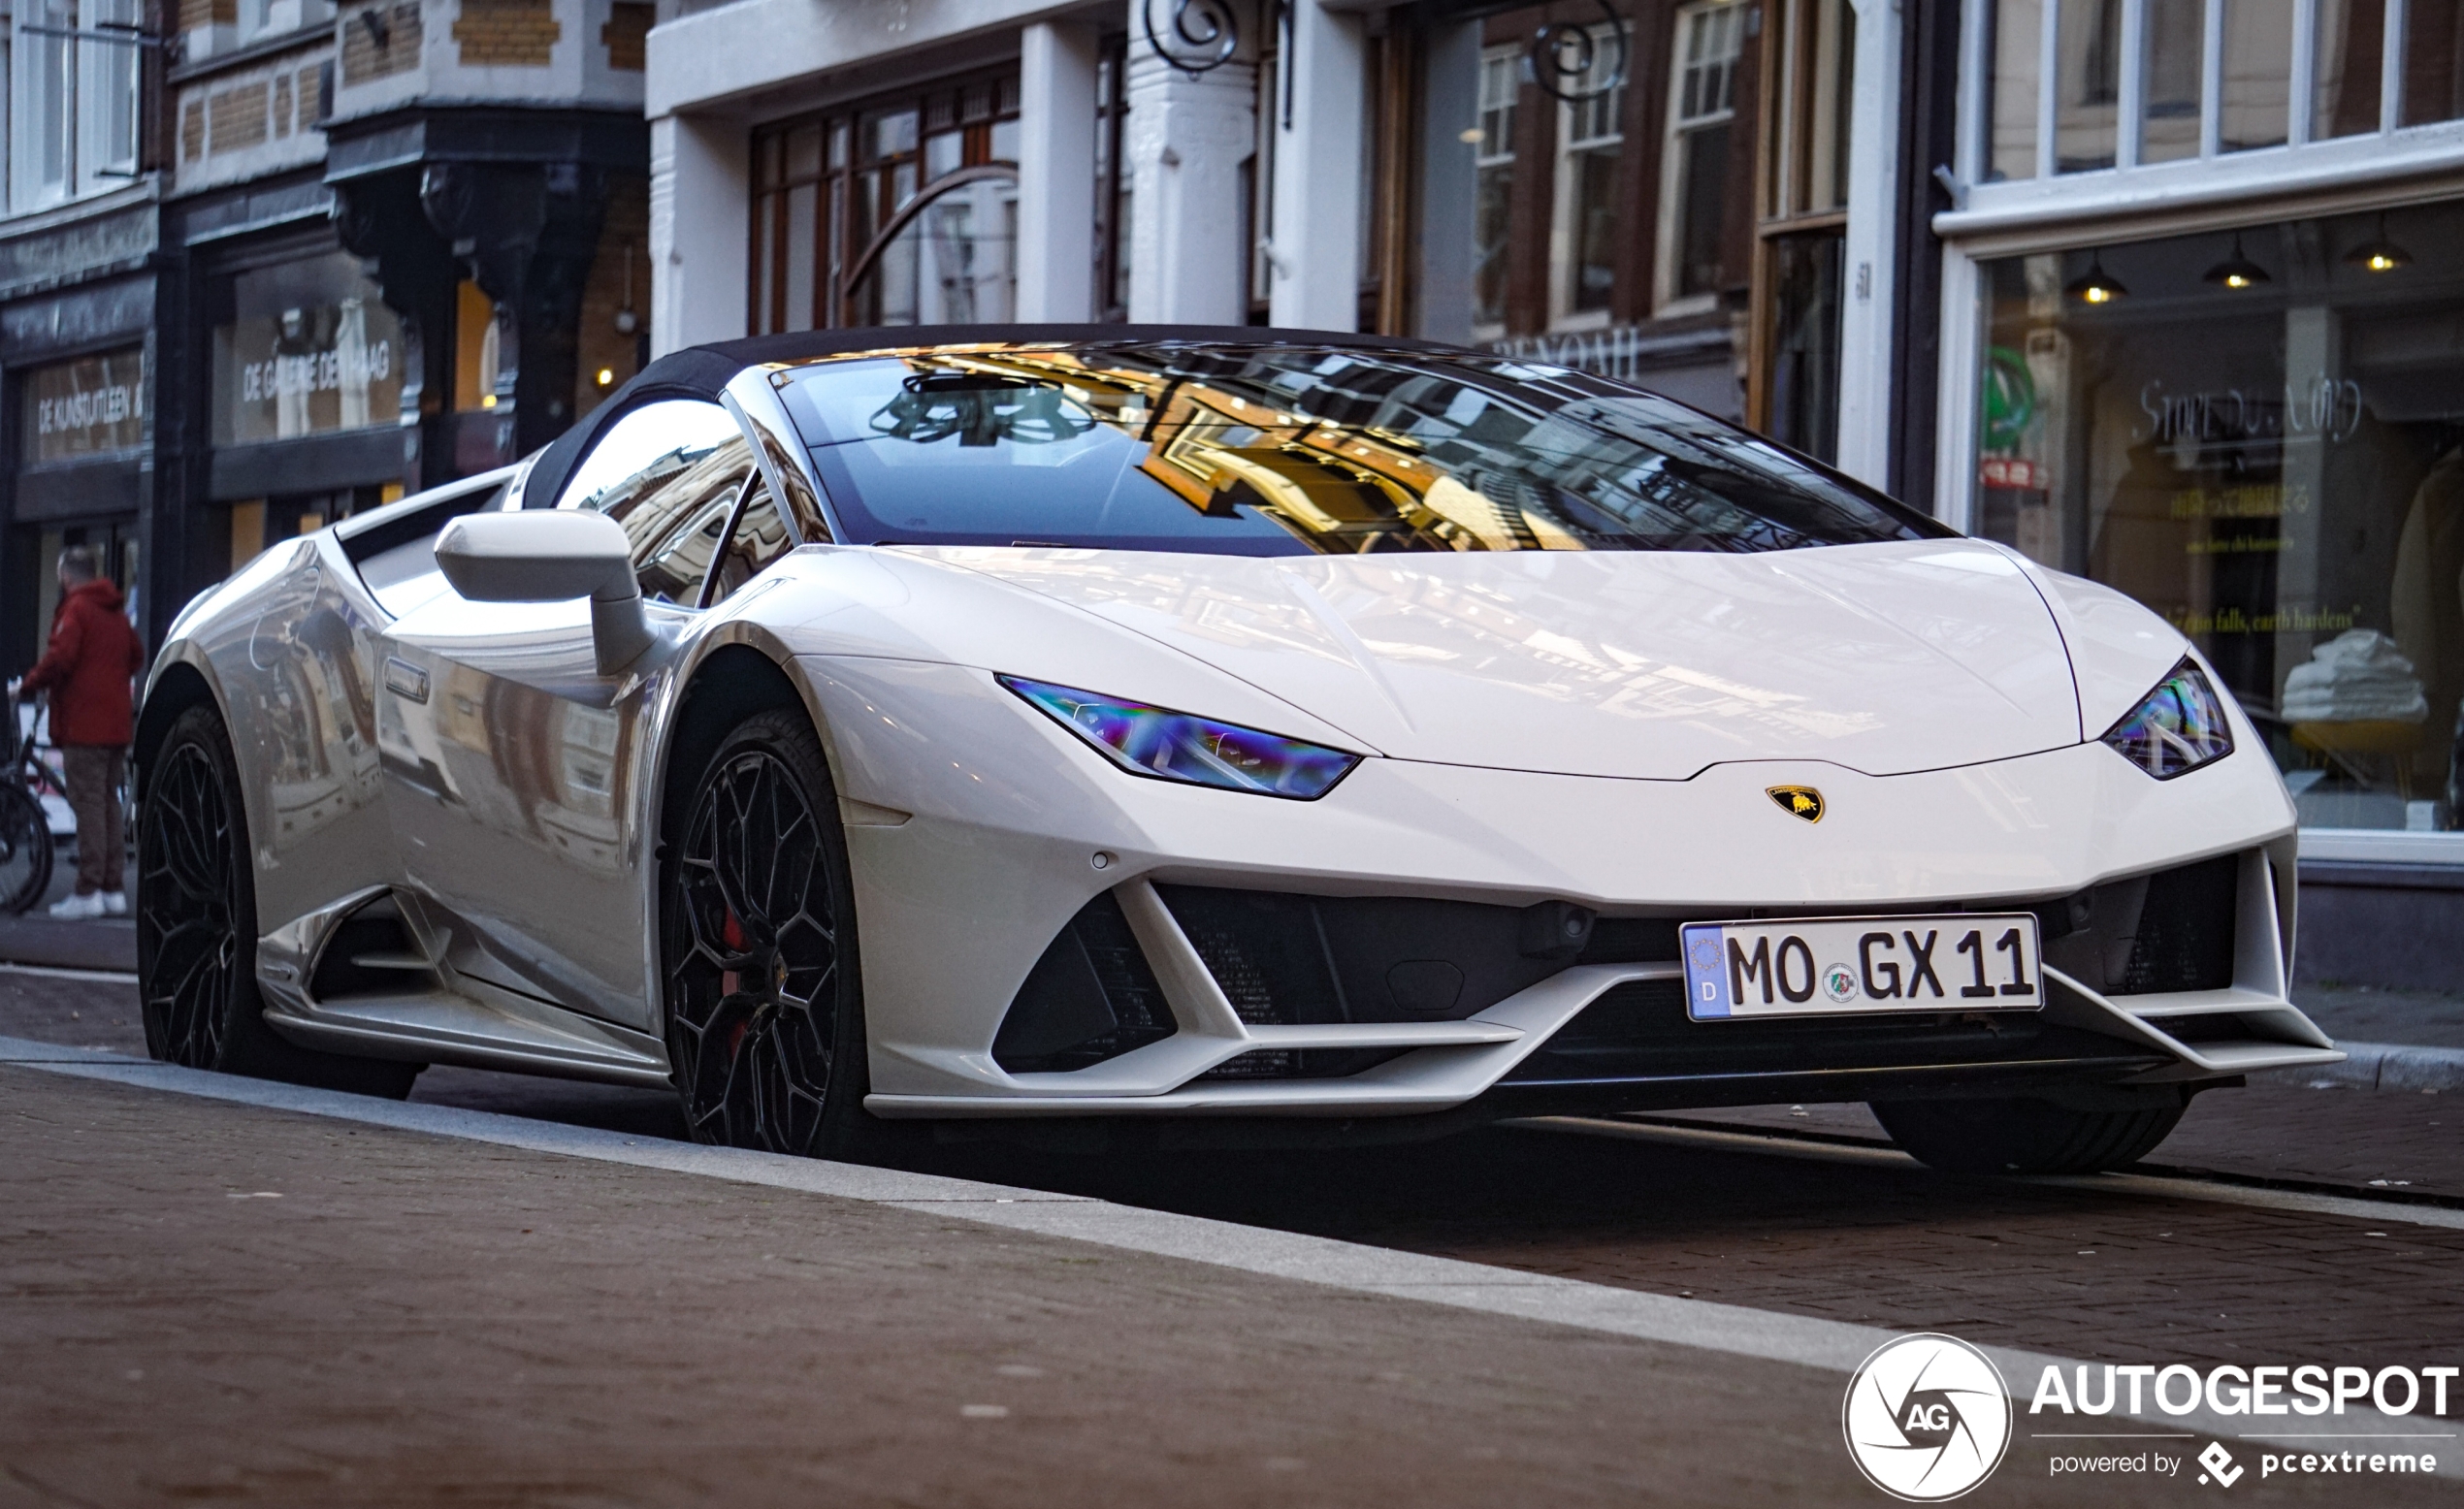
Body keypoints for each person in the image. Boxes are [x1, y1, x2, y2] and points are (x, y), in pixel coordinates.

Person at [6, 547, 144, 918]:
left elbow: (60, 658)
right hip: (116, 724)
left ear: (66, 576)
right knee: (107, 804)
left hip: (85, 724)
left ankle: (88, 890)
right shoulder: (114, 613)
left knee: (87, 807)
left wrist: (28, 686)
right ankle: (113, 888)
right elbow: (136, 656)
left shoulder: (77, 610)